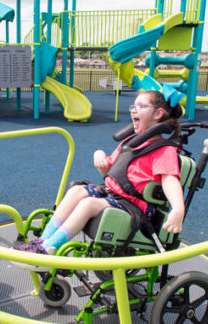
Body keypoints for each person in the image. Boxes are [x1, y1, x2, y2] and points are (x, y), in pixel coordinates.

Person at [17, 88, 185, 255]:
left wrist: (178, 209)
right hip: (114, 194)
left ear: (158, 113)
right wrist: (99, 156)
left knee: (88, 204)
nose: (134, 110)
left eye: (140, 106)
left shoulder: (163, 150)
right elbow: (111, 168)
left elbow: (170, 180)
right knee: (76, 190)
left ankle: (49, 248)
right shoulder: (131, 142)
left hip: (135, 205)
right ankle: (41, 241)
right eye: (132, 107)